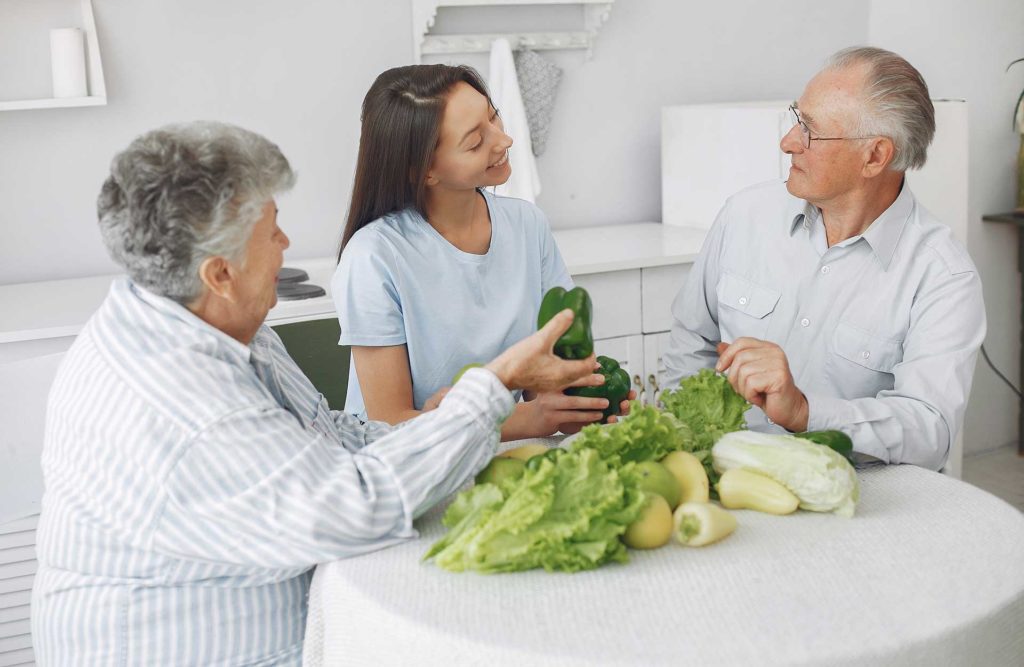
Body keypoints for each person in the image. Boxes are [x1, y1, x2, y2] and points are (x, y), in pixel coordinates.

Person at [31, 122, 598, 665]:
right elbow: (353, 507)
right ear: (220, 274)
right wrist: (494, 388)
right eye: (271, 228)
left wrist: (442, 422)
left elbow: (330, 432)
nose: (286, 242)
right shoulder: (182, 400)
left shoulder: (217, 323)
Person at [661, 46, 985, 471]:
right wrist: (683, 448)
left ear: (874, 156)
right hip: (726, 483)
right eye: (797, 118)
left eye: (810, 130)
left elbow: (928, 430)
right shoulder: (745, 215)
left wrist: (805, 412)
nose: (788, 142)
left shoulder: (943, 277)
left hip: (852, 499)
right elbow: (691, 341)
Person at [332, 64, 625, 439]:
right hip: (405, 473)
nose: (503, 141)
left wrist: (580, 405)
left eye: (493, 117)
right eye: (474, 142)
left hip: (502, 457)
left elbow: (544, 380)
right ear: (424, 172)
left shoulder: (527, 226)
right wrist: (533, 419)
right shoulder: (373, 257)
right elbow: (390, 424)